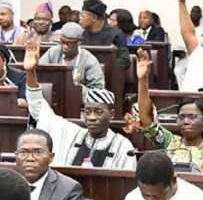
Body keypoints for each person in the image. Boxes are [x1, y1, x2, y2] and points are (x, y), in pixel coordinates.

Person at [24, 38, 136, 170]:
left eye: (98, 112)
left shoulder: (122, 146)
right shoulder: (68, 133)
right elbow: (37, 105)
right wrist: (30, 72)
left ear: (111, 114)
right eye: (87, 112)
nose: (91, 117)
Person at [127, 50, 203, 174]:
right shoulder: (170, 142)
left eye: (192, 117)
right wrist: (143, 80)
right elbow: (146, 120)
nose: (186, 121)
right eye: (181, 117)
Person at [13, 129, 86, 200]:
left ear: (51, 157)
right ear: (16, 156)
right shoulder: (3, 185)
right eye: (23, 152)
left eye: (38, 152)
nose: (30, 158)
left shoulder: (68, 189)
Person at [37, 22, 105, 89]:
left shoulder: (89, 60)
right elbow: (38, 75)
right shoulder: (53, 52)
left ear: (79, 42)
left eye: (70, 43)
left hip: (79, 99)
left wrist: (76, 88)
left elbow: (98, 89)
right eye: (62, 41)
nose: (65, 46)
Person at [79, 0, 130, 70]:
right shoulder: (82, 34)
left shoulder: (116, 35)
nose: (80, 18)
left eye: (83, 15)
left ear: (94, 18)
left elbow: (124, 60)